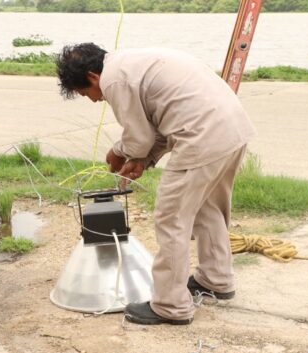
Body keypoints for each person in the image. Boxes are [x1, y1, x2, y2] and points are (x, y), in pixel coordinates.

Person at [56, 43, 257, 325]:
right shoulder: (135, 61)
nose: (92, 100)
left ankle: (170, 305)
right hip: (232, 131)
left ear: (92, 77)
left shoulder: (114, 78)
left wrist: (118, 151)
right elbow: (160, 126)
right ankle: (216, 279)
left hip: (201, 138)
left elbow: (138, 138)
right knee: (206, 209)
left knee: (170, 217)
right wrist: (144, 159)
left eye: (85, 93)